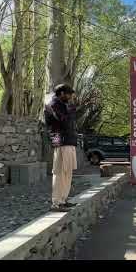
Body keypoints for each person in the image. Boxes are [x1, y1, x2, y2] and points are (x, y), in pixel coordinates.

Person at [44, 84, 78, 212]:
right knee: (60, 173)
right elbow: (63, 121)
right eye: (69, 94)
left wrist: (72, 109)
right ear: (62, 93)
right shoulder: (53, 105)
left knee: (67, 172)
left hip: (67, 140)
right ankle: (57, 203)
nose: (70, 97)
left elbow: (69, 121)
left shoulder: (62, 105)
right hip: (61, 141)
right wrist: (72, 108)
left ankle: (63, 199)